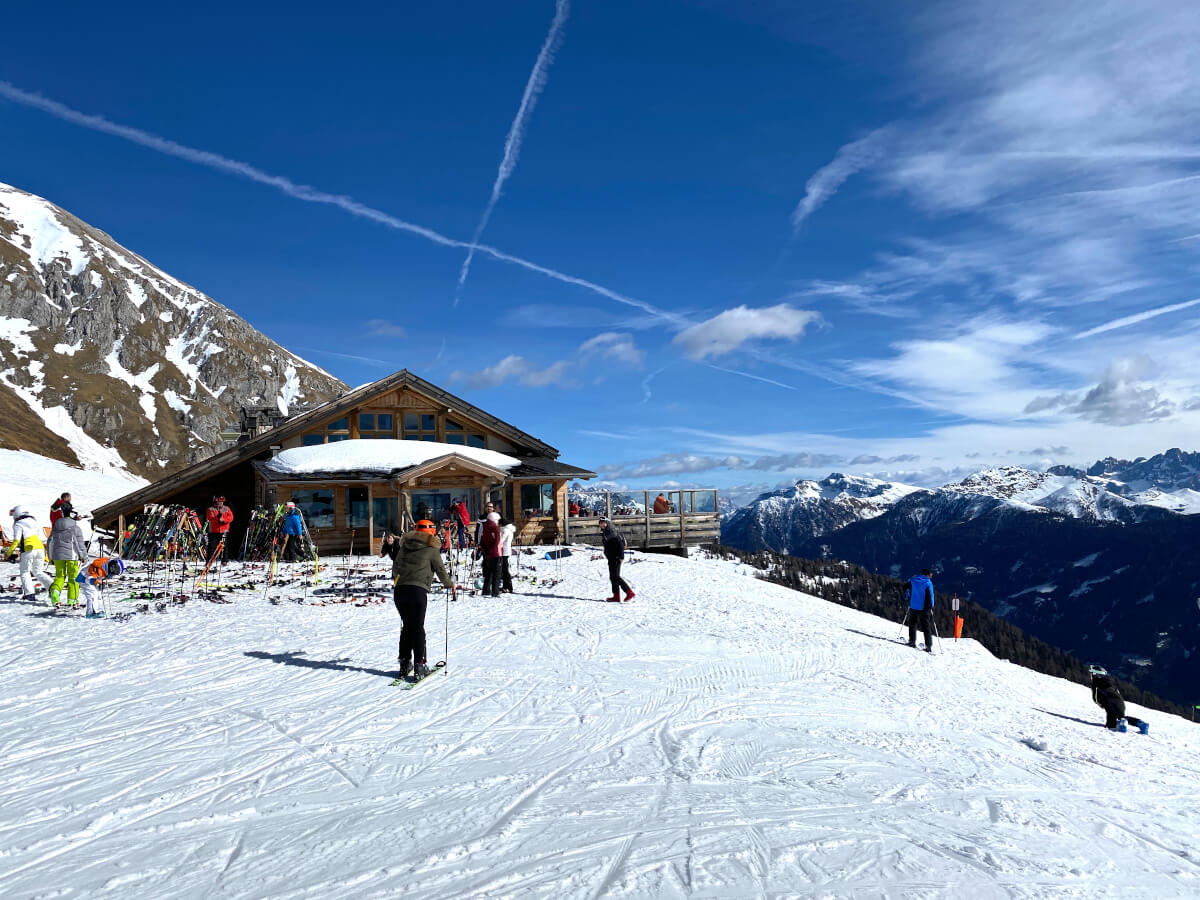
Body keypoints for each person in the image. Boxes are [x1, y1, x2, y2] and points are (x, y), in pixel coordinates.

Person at [391, 519, 452, 679]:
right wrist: (448, 584)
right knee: (417, 627)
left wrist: (398, 581)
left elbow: (395, 568)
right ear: (431, 533)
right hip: (417, 591)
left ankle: (404, 663)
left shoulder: (404, 547)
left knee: (407, 627)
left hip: (400, 591)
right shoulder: (431, 550)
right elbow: (440, 569)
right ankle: (420, 665)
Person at [7, 506, 55, 602]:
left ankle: (29, 594)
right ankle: (53, 587)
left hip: (28, 548)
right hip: (40, 548)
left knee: (25, 572)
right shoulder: (34, 522)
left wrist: (9, 553)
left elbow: (16, 540)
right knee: (38, 571)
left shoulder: (18, 524)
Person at [1089, 665, 1150, 733]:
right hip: (1121, 704)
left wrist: (1101, 704)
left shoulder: (1096, 683)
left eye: (1092, 673)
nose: (1091, 675)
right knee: (1121, 716)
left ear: (1096, 675)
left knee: (1110, 725)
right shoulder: (1110, 682)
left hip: (1110, 706)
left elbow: (1096, 698)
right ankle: (1140, 723)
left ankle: (1122, 724)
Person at [47, 512, 88, 606]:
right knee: (73, 578)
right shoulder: (75, 528)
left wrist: (50, 557)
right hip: (72, 556)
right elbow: (80, 544)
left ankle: (55, 593)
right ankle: (72, 600)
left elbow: (50, 542)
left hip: (58, 556)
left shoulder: (56, 527)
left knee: (59, 577)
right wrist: (84, 556)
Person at [599, 515, 634, 602]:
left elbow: (620, 544)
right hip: (611, 557)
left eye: (603, 523)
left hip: (616, 557)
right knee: (612, 577)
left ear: (607, 523)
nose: (601, 524)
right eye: (600, 523)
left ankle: (629, 592)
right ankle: (616, 596)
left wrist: (621, 556)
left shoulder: (611, 532)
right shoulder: (606, 532)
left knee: (616, 576)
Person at [906, 569, 935, 652]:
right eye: (930, 575)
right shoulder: (928, 583)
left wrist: (908, 597)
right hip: (924, 608)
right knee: (926, 627)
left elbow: (906, 588)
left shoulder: (913, 580)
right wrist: (931, 606)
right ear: (927, 575)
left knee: (912, 624)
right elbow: (930, 596)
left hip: (913, 606)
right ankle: (928, 646)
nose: (931, 576)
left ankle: (912, 641)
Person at [478, 511, 503, 597]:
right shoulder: (496, 528)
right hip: (496, 553)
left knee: (488, 573)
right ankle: (495, 591)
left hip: (488, 553)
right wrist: (494, 550)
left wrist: (485, 551)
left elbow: (482, 541)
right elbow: (497, 542)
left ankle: (486, 590)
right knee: (497, 573)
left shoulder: (485, 527)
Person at [205, 496, 233, 562]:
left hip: (224, 530)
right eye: (218, 502)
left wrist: (224, 520)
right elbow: (209, 517)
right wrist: (217, 518)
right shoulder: (211, 509)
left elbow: (231, 517)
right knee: (212, 546)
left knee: (224, 546)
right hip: (214, 531)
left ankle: (224, 560)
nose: (219, 503)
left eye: (221, 502)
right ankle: (210, 560)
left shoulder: (226, 508)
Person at [499, 516, 516, 593]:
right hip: (507, 550)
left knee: (505, 570)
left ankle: (509, 586)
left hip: (504, 550)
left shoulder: (505, 530)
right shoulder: (510, 530)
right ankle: (506, 586)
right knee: (504, 569)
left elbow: (501, 540)